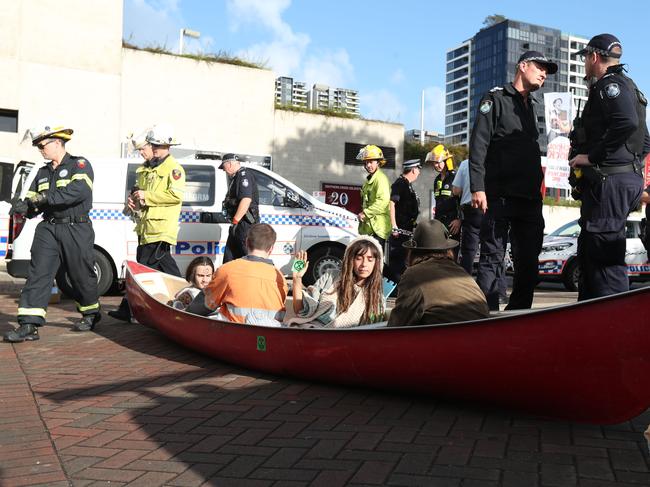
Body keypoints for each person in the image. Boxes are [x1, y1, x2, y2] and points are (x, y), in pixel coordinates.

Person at [469, 50, 558, 311]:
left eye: (547, 70)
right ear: (522, 66)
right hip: (500, 195)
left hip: (529, 197)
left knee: (528, 261)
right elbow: (478, 145)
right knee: (492, 257)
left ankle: (518, 314)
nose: (544, 74)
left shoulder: (532, 106)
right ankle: (485, 316)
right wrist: (478, 187)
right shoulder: (495, 99)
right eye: (540, 67)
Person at [570, 34, 649, 300]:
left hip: (610, 183)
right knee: (592, 256)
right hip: (621, 179)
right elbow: (645, 140)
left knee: (604, 262)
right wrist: (631, 167)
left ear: (593, 57)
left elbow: (625, 122)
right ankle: (589, 326)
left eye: (585, 59)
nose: (585, 65)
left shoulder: (608, 85)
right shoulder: (631, 87)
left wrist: (593, 157)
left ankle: (615, 328)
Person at [4, 125, 101, 342]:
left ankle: (91, 313)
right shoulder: (42, 172)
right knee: (38, 274)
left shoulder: (80, 165)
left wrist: (43, 198)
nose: (40, 149)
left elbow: (78, 192)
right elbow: (34, 201)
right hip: (48, 227)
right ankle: (29, 325)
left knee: (80, 274)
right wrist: (23, 208)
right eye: (38, 146)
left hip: (76, 227)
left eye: (42, 145)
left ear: (57, 142)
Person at [109, 125, 186, 322]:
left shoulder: (174, 169)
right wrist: (136, 202)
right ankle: (186, 299)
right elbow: (144, 199)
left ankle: (130, 309)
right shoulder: (150, 168)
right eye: (153, 145)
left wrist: (146, 195)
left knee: (142, 271)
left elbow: (175, 196)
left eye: (157, 146)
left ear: (168, 146)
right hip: (147, 227)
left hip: (160, 228)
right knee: (163, 270)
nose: (154, 148)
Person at [387, 219, 489, 327]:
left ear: (413, 252)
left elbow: (398, 324)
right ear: (448, 250)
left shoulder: (413, 274)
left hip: (452, 338)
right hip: (484, 333)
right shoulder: (460, 271)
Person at [286, 236, 385, 328]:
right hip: (313, 333)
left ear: (376, 263)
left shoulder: (377, 298)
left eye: (370, 259)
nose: (364, 264)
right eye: (358, 258)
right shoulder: (330, 277)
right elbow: (300, 310)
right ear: (349, 260)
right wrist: (297, 279)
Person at [203, 223, 287, 325]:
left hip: (234, 333)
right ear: (271, 249)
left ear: (246, 242)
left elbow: (205, 304)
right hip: (270, 334)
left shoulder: (228, 270)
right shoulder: (280, 277)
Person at [452, 159, 509, 304]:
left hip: (472, 210)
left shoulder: (466, 163)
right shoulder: (494, 161)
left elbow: (456, 190)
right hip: (491, 208)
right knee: (494, 250)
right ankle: (501, 292)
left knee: (469, 253)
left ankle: (465, 291)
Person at [220, 153, 259, 263]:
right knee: (229, 259)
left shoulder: (244, 175)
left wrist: (235, 221)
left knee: (247, 259)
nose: (224, 170)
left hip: (244, 224)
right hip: (238, 224)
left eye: (223, 167)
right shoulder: (236, 177)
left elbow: (246, 200)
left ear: (230, 164)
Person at [388, 158, 421, 282]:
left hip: (406, 229)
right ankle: (396, 290)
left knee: (403, 262)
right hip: (399, 231)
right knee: (397, 262)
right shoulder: (400, 184)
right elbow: (392, 204)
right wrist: (394, 226)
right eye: (418, 169)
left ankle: (400, 287)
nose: (419, 172)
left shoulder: (407, 185)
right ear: (413, 170)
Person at [357, 144, 391, 249]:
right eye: (366, 162)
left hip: (377, 229)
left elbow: (383, 202)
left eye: (371, 162)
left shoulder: (380, 179)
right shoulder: (369, 181)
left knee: (375, 261)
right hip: (370, 228)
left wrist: (365, 213)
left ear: (378, 162)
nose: (368, 165)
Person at [427, 144, 461, 248]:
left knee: (451, 256)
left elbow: (461, 200)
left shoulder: (455, 177)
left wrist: (459, 220)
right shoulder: (437, 179)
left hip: (452, 224)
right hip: (439, 224)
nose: (436, 165)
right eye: (434, 163)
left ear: (446, 161)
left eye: (438, 162)